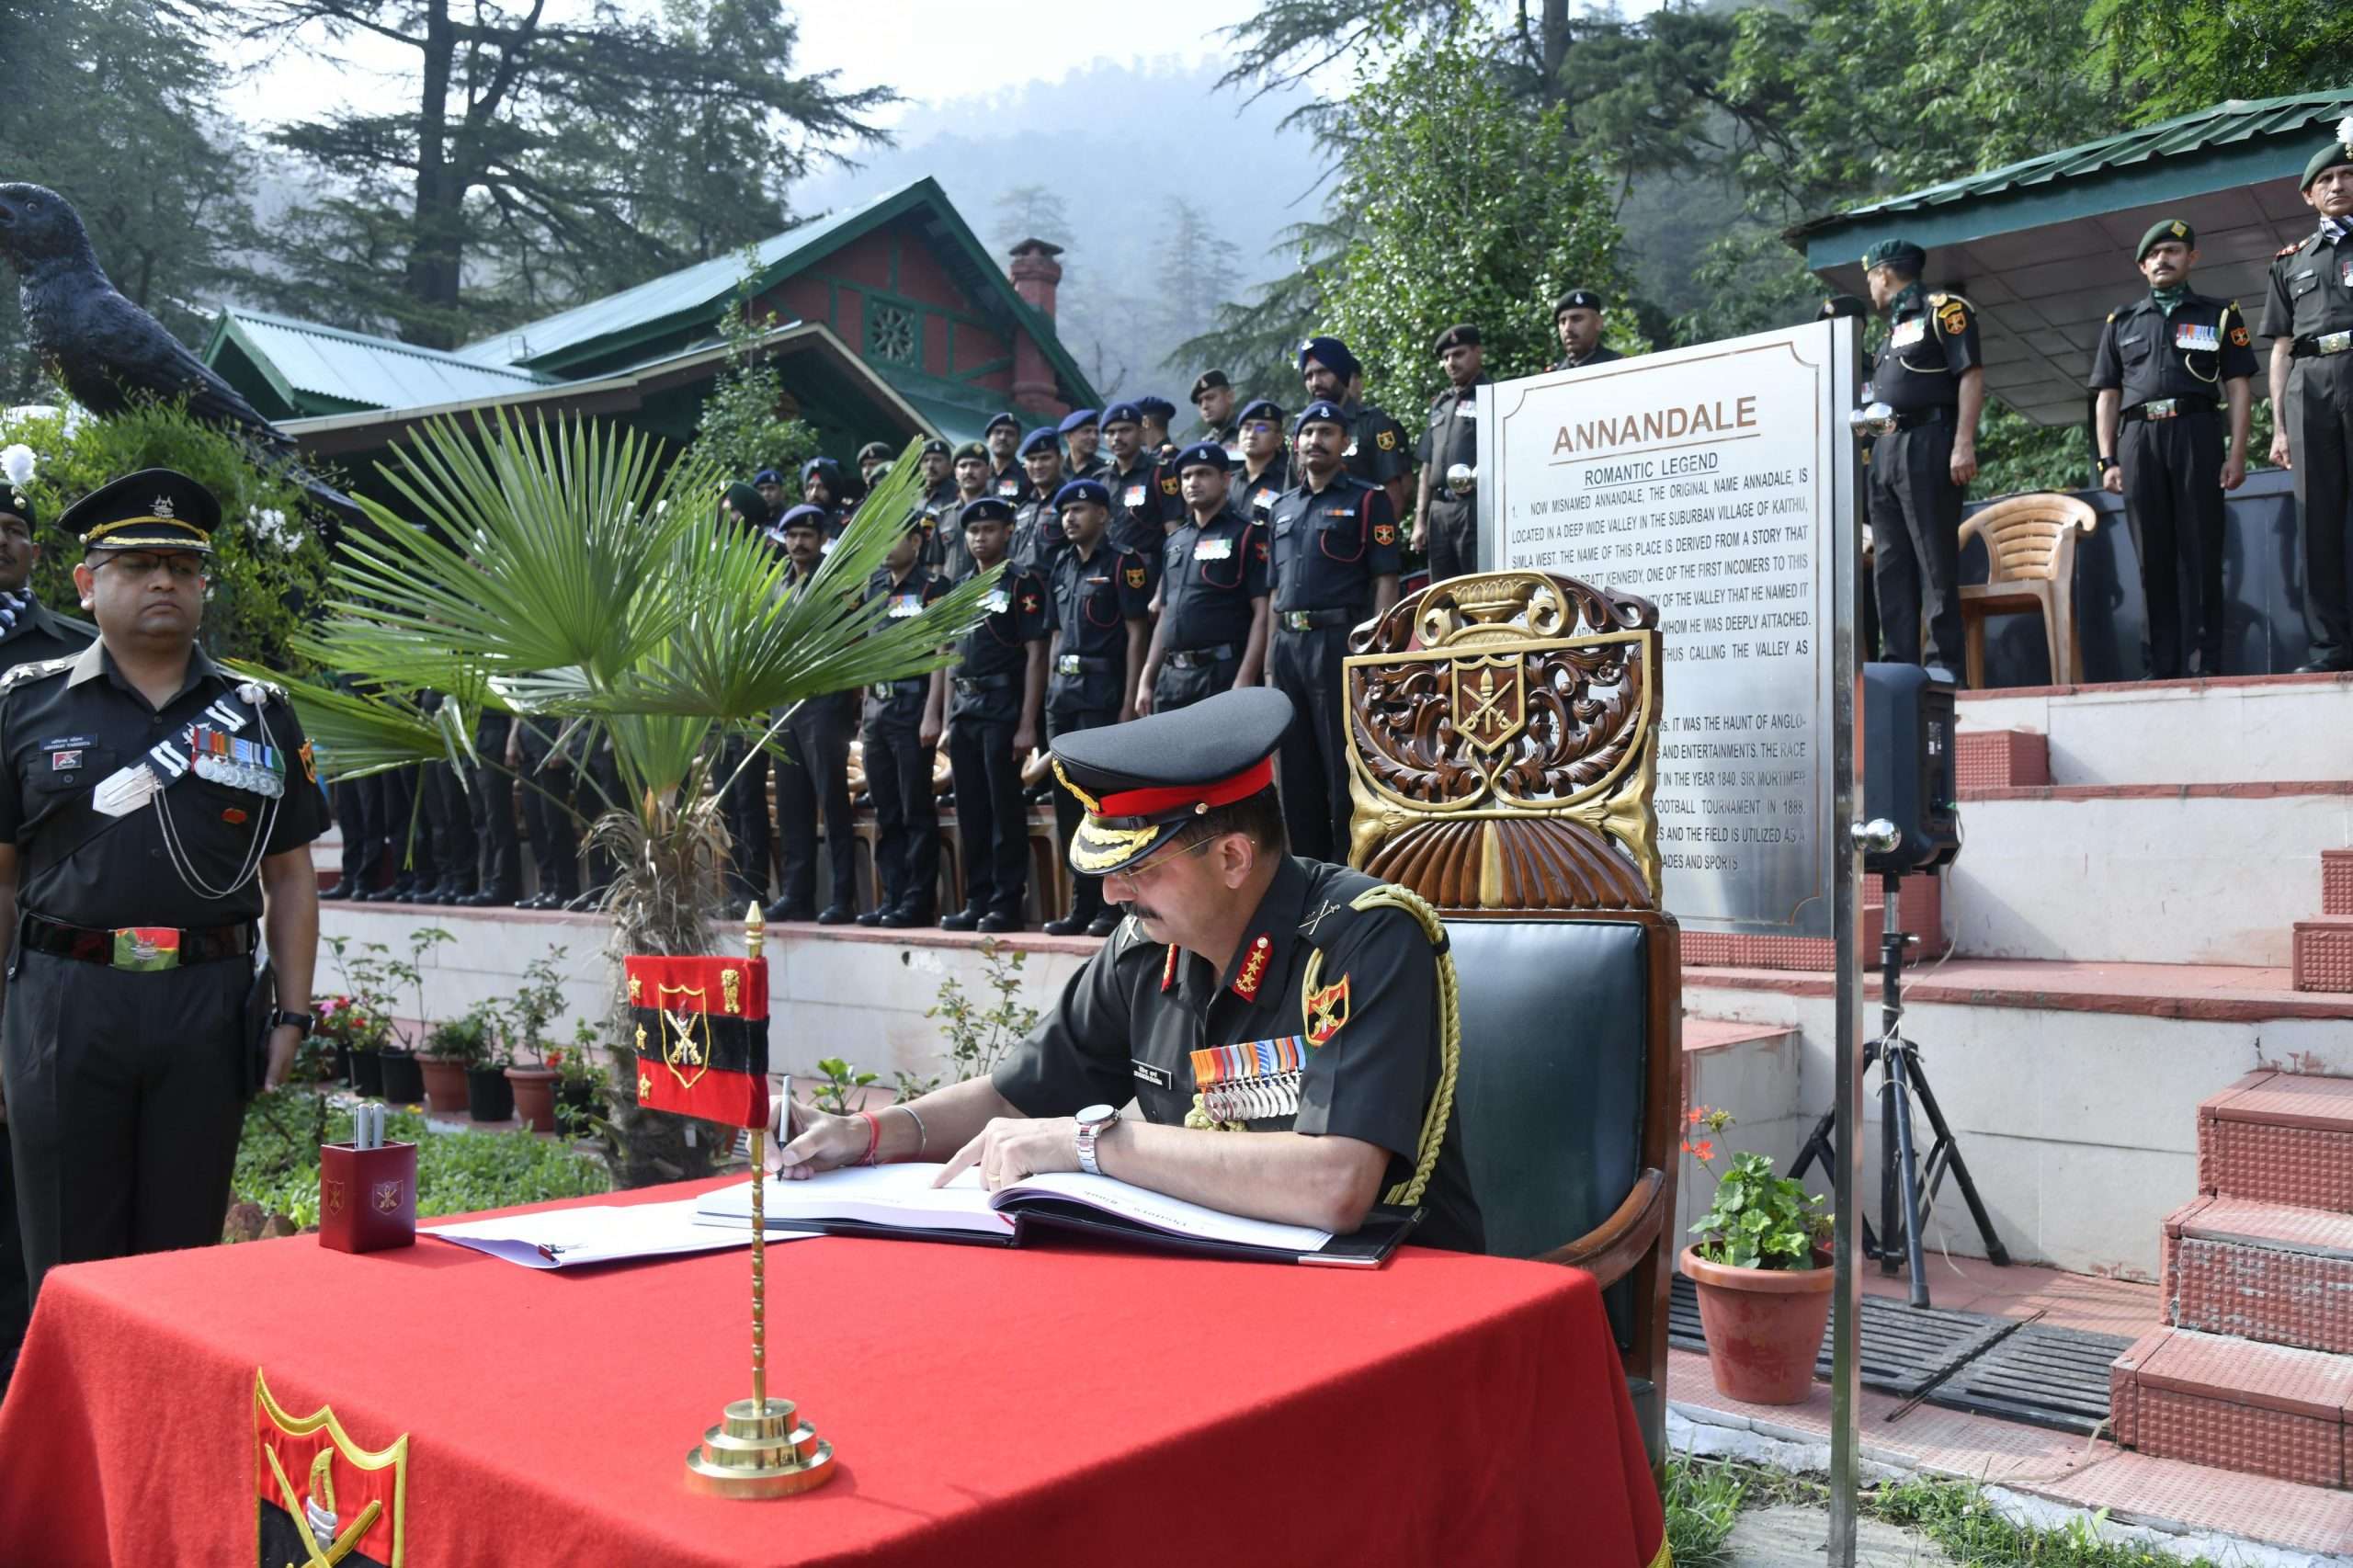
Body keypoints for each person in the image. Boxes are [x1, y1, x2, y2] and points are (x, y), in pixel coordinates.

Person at [766, 687, 1483, 1255]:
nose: (1112, 894)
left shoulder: (1366, 937)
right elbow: (1017, 1101)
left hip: (1395, 1295)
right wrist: (865, 1135)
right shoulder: (1146, 948)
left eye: (1137, 868)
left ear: (1232, 859)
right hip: (1222, 1285)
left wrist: (1093, 1145)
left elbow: (1335, 1185)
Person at [0, 468, 326, 1320]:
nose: (163, 583)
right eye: (138, 564)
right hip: (64, 1004)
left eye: (182, 569)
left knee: (183, 1267)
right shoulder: (23, 708)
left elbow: (289, 875)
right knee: (70, 1270)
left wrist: (291, 1014)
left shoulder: (258, 715)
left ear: (202, 586)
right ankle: (70, 1449)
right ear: (85, 581)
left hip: (206, 1006)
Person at [0, 467, 91, 1392]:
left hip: (32, 937)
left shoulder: (70, 656)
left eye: (10, 525)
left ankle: (25, 1381)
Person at [2089, 219, 2258, 680]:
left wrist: (2237, 452)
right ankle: (2160, 665)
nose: (2164, 259)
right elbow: (2107, 393)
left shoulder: (2218, 314)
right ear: (2142, 266)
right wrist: (2108, 458)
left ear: (2191, 259)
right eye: (2154, 254)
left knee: (2203, 552)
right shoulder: (2121, 321)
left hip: (2197, 431)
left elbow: (2239, 386)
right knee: (2153, 557)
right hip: (2139, 439)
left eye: (2173, 251)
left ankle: (2209, 664)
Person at [1268, 400, 1402, 862]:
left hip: (1339, 642)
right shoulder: (1280, 509)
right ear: (1296, 444)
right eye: (1308, 433)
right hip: (1287, 645)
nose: (1316, 441)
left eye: (1327, 432)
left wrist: (1378, 653)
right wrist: (1270, 658)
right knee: (1296, 770)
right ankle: (1306, 875)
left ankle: (1351, 874)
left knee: (1341, 767)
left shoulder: (1368, 499)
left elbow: (1385, 577)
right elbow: (1273, 592)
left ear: (1345, 443)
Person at [1862, 237, 1984, 679]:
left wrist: (1963, 442)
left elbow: (1970, 374)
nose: (1870, 290)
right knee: (1890, 563)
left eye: (1870, 279)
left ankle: (1943, 666)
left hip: (1930, 440)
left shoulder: (1944, 309)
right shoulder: (1892, 328)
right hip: (1887, 447)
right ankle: (1898, 666)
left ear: (1883, 274)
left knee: (1935, 558)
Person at [1040, 478, 1152, 937]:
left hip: (1103, 692)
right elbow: (1054, 637)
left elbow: (1136, 633)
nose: (1070, 518)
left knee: (1104, 805)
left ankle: (1113, 905)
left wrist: (1128, 701)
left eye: (1080, 509)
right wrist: (1048, 694)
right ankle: (1081, 904)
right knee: (1068, 805)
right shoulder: (1060, 565)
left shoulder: (1123, 562)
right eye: (1065, 510)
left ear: (1103, 515)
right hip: (1063, 695)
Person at [2262, 127, 2353, 674]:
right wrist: (2277, 426)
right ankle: (2330, 648)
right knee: (2316, 521)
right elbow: (2279, 349)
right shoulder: (2290, 262)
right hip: (2310, 385)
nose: (2337, 184)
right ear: (2308, 195)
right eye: (2326, 179)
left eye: (2346, 175)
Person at [941, 497, 1048, 934]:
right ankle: (977, 898)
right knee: (971, 811)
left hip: (1004, 707)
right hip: (965, 708)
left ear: (1008, 532)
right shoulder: (959, 585)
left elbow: (1036, 654)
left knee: (1005, 810)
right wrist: (948, 716)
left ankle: (1007, 901)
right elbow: (949, 654)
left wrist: (1027, 721)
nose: (980, 537)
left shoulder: (1023, 582)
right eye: (973, 531)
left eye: (989, 530)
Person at [766, 506, 858, 925]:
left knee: (833, 802)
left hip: (825, 703)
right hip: (785, 704)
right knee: (791, 804)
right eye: (791, 536)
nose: (798, 543)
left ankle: (842, 896)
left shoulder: (839, 584)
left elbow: (857, 639)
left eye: (806, 535)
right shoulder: (778, 585)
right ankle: (796, 894)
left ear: (822, 539)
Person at [858, 517, 949, 928]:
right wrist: (864, 711)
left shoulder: (932, 588)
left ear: (915, 541)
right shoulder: (875, 589)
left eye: (892, 536)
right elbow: (867, 653)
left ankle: (917, 900)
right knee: (885, 811)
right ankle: (892, 896)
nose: (886, 547)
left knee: (916, 809)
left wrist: (933, 712)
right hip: (877, 710)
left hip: (913, 710)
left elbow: (940, 653)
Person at [1137, 442, 1268, 716]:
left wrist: (1245, 676)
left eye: (1203, 474)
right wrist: (1147, 679)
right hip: (1171, 680)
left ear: (1225, 480)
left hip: (1221, 674)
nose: (1193, 482)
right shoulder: (1174, 541)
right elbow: (1165, 613)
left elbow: (1262, 613)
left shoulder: (1247, 534)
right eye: (1186, 476)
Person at [1297, 335, 1411, 522]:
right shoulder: (1303, 428)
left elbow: (1393, 495)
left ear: (1342, 374)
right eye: (1308, 376)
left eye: (1323, 372)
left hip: (1359, 538)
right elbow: (1292, 493)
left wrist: (1381, 547)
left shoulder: (1373, 423)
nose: (1315, 382)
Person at [1415, 323, 1488, 583]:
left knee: (1476, 589)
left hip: (1474, 506)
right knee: (1442, 596)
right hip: (1439, 509)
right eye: (1446, 358)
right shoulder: (1440, 404)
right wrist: (1420, 520)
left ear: (1477, 352)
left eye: (1458, 354)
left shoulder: (1492, 395)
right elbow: (1427, 465)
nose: (1451, 363)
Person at [1099, 403, 1172, 594]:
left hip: (1146, 574)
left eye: (1125, 430)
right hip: (1106, 575)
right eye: (1111, 432)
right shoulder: (1099, 479)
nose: (1117, 438)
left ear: (1141, 432)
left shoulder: (1161, 473)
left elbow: (1175, 536)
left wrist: (1162, 591)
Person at [1230, 399, 1291, 525]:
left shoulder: (1289, 481)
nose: (1251, 435)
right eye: (1246, 428)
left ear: (1279, 439)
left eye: (1262, 428)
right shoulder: (1227, 482)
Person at [1551, 290, 1624, 372]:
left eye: (1576, 319)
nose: (1567, 328)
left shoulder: (1621, 367)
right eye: (1563, 322)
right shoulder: (1553, 374)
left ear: (1598, 322)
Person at [1015, 424, 1066, 511]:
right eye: (1032, 459)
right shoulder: (1023, 508)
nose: (1038, 466)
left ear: (1060, 460)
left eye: (1045, 458)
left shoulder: (1070, 502)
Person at [1191, 370, 1239, 458]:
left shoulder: (1248, 433)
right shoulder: (1205, 444)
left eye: (1210, 398)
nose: (1204, 406)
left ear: (1230, 397)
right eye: (1200, 402)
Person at [983, 413, 1025, 500]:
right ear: (988, 440)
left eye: (1010, 434)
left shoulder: (1027, 476)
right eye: (998, 432)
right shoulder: (980, 473)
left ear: (1019, 444)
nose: (1003, 437)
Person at [1059, 407, 1107, 480]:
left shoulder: (1106, 472)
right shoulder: (1057, 472)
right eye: (1087, 431)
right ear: (1069, 437)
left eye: (1096, 433)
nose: (1094, 437)